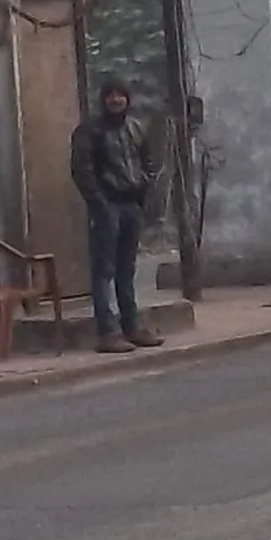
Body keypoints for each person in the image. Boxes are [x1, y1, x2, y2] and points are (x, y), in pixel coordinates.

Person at [69, 79, 165, 351]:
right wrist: (99, 203)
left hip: (131, 205)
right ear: (103, 99)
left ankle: (131, 326)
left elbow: (148, 161)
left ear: (127, 98)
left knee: (126, 269)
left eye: (120, 95)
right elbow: (82, 170)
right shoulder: (90, 131)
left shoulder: (135, 128)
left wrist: (143, 189)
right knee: (104, 271)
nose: (115, 100)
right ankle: (107, 332)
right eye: (110, 95)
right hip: (107, 207)